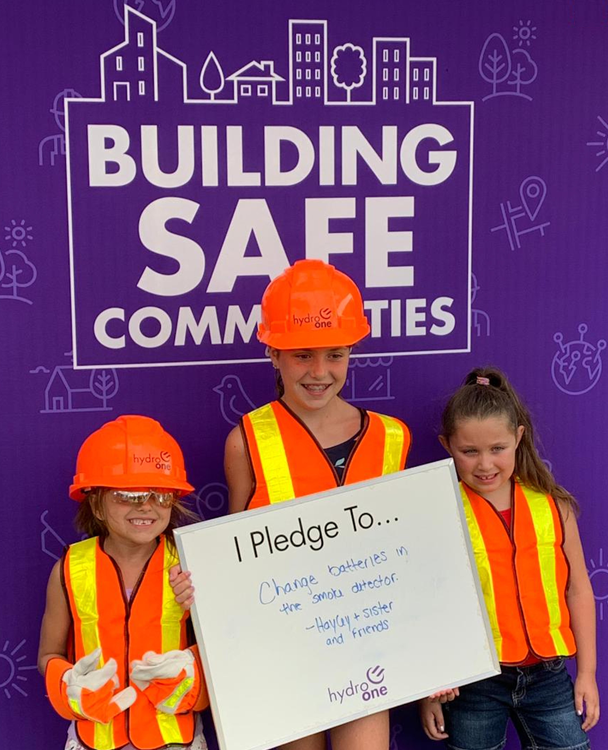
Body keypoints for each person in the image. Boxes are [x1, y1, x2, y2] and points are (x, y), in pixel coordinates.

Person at [420, 367, 600, 749]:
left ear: (517, 438)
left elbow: (578, 589)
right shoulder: (440, 512)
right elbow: (428, 605)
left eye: (497, 449)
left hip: (549, 676)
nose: (485, 465)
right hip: (473, 683)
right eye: (470, 451)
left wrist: (587, 672)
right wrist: (429, 690)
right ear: (447, 444)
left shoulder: (554, 506)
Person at [38, 414, 209, 750]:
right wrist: (68, 684)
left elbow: (230, 650)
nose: (145, 505)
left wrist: (194, 675)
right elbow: (49, 653)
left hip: (176, 739)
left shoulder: (193, 563)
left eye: (159, 494)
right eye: (127, 495)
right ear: (96, 504)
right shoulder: (69, 569)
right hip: (94, 739)